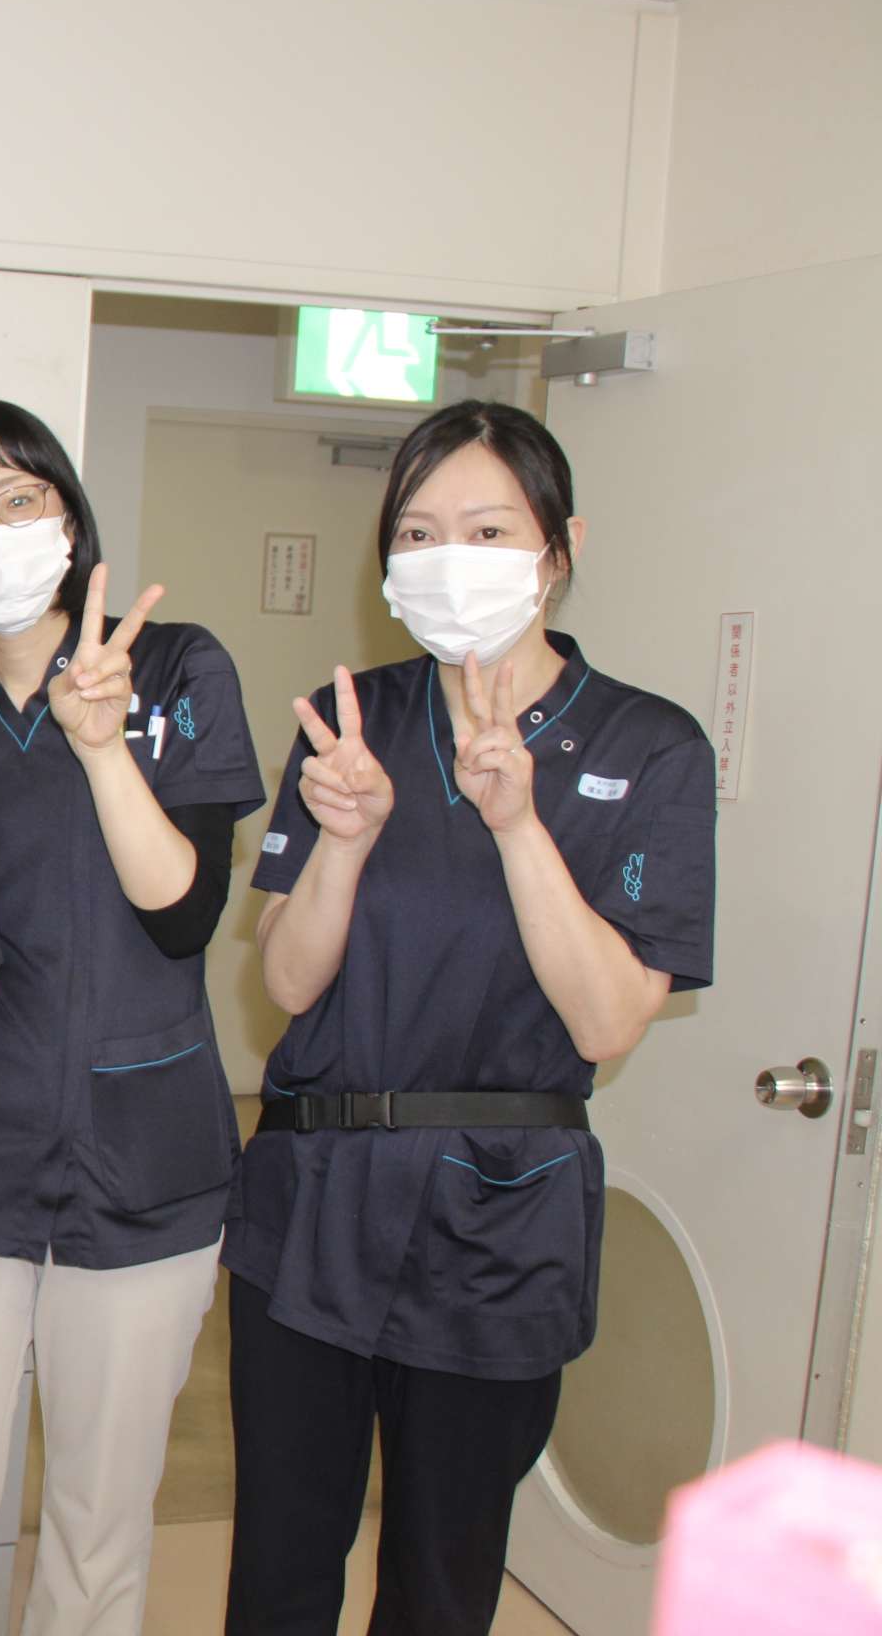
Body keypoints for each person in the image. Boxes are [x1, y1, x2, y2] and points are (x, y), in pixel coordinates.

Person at [225, 400, 717, 1635]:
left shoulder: (650, 747)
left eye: (489, 529)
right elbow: (287, 984)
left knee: (440, 1580)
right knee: (281, 1562)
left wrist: (518, 825)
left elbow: (608, 1022)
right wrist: (344, 842)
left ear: (560, 547)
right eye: (421, 531)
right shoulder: (351, 722)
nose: (452, 557)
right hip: (316, 1191)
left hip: (501, 1208)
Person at [0, 399, 265, 1636]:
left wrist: (102, 748)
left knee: (98, 1528)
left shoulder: (175, 670)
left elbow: (183, 915)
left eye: (14, 498)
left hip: (143, 1166)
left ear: (69, 517)